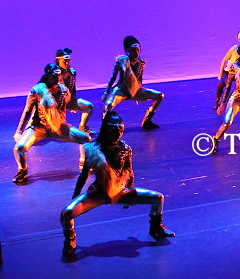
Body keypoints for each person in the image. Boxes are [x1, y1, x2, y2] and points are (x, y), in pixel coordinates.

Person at [60, 111, 175, 259]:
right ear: (106, 129)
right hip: (98, 193)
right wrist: (76, 195)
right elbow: (83, 175)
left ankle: (156, 228)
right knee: (66, 214)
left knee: (158, 198)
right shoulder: (94, 149)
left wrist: (130, 190)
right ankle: (70, 240)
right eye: (114, 129)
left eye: (121, 130)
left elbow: (129, 172)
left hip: (120, 191)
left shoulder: (125, 149)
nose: (118, 133)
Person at [13, 64, 91, 184]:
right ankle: (22, 170)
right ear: (48, 75)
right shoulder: (37, 90)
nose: (58, 78)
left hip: (58, 127)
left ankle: (84, 163)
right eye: (55, 75)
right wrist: (19, 131)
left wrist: (79, 107)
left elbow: (68, 103)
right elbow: (27, 111)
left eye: (59, 75)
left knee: (86, 139)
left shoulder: (63, 90)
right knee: (19, 148)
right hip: (38, 128)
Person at [102, 36, 164, 130]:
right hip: (121, 90)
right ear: (128, 50)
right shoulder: (122, 60)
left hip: (135, 90)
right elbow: (113, 77)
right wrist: (106, 93)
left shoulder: (141, 62)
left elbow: (139, 77)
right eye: (134, 50)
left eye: (138, 49)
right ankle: (105, 128)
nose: (137, 52)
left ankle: (147, 121)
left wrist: (139, 92)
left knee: (159, 96)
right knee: (108, 106)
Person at [56, 48, 94, 133]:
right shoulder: (54, 73)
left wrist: (74, 102)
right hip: (56, 102)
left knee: (89, 106)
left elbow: (73, 88)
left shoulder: (72, 72)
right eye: (64, 61)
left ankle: (83, 128)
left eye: (68, 61)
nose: (67, 63)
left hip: (68, 99)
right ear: (59, 60)